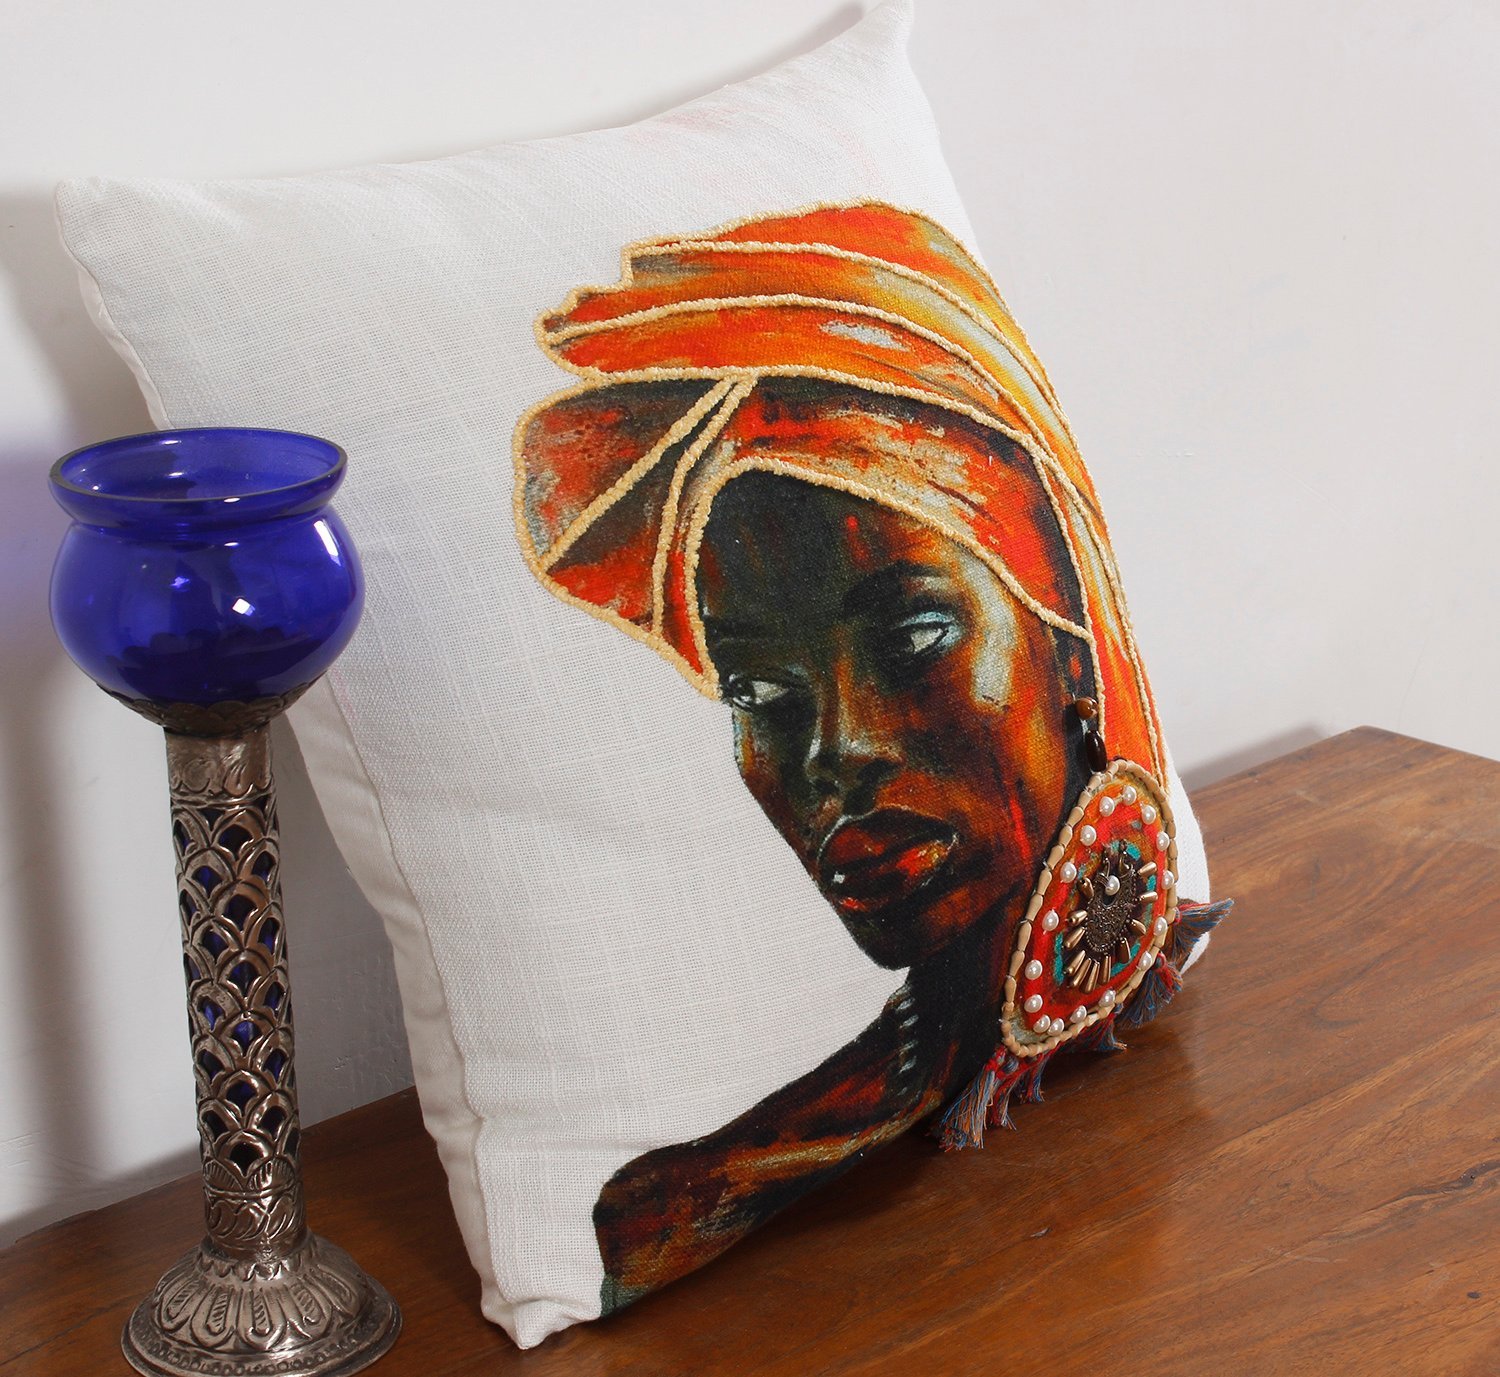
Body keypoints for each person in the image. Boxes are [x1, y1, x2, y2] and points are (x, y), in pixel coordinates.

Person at [512, 202, 1168, 1310]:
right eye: (758, 694)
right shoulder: (674, 1207)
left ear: (1068, 635)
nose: (836, 749)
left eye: (911, 637)